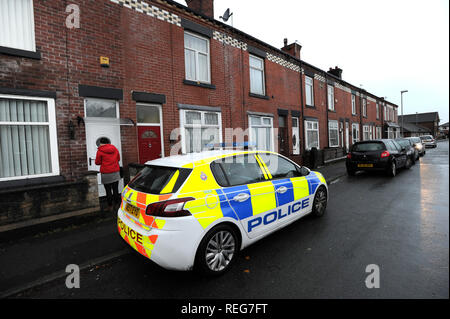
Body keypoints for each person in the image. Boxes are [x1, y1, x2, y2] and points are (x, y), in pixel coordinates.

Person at [95, 137, 121, 211]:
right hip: (115, 172)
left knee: (108, 191)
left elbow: (97, 162)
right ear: (108, 142)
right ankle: (116, 205)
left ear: (101, 143)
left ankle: (110, 206)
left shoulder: (100, 151)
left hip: (106, 173)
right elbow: (118, 159)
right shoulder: (115, 149)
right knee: (116, 190)